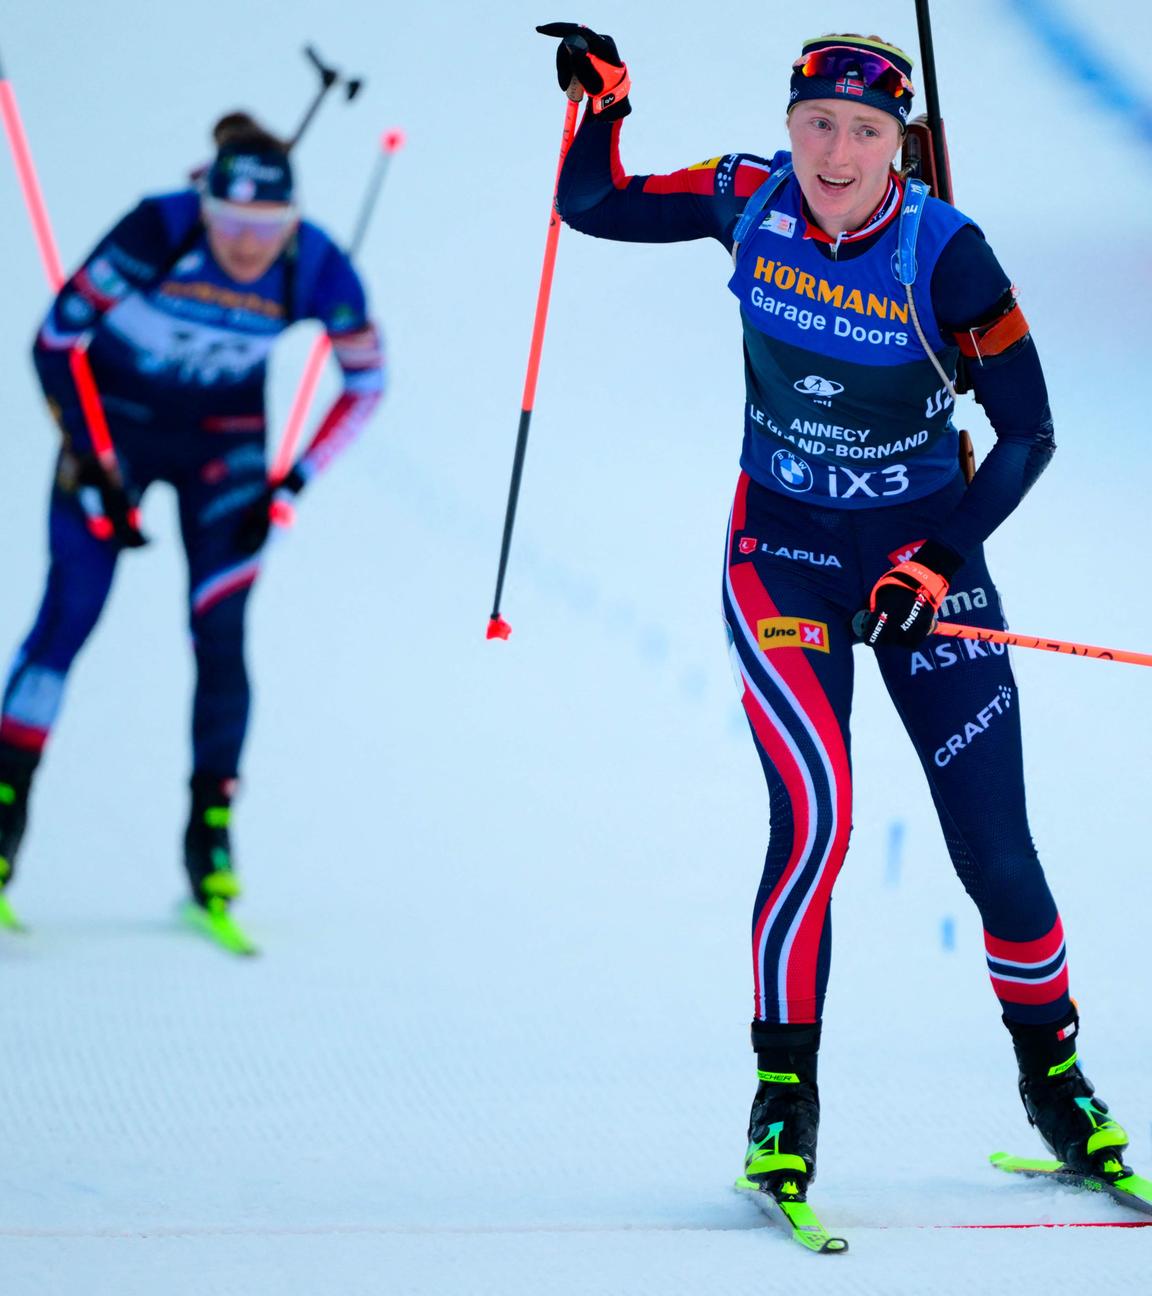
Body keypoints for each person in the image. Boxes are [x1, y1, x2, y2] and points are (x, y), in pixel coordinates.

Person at [537, 23, 1132, 1200]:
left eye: (865, 133)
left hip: (923, 561)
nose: (835, 153)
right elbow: (594, 205)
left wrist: (935, 560)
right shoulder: (746, 196)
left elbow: (1030, 434)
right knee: (815, 820)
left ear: (901, 145)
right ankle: (782, 1105)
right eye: (817, 124)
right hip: (784, 554)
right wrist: (603, 101)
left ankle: (1056, 1083)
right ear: (790, 124)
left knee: (997, 854)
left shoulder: (949, 253)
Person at [0, 113, 385, 949]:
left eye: (267, 229)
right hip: (115, 434)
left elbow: (367, 381)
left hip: (225, 452)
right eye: (232, 225)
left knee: (220, 636)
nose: (248, 246)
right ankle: (4, 821)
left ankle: (209, 838)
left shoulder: (314, 262)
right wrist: (97, 462)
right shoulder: (159, 227)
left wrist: (292, 484)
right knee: (67, 619)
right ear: (203, 204)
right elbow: (55, 339)